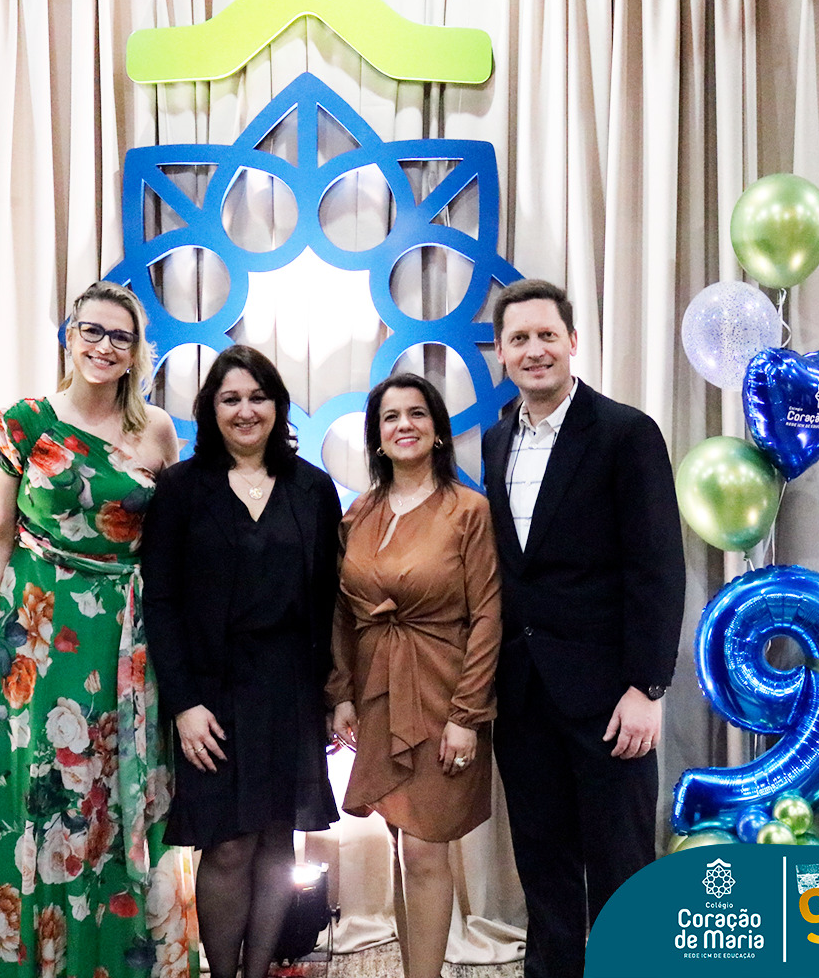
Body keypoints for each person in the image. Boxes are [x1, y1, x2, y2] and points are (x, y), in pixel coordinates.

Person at [0, 281, 195, 978]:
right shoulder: (24, 423)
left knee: (122, 794)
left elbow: (175, 541)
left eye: (120, 336)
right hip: (38, 630)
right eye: (91, 331)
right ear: (70, 337)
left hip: (128, 632)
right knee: (46, 791)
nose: (103, 346)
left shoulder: (157, 430)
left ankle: (120, 961)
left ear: (136, 351)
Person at [480, 279, 686, 978]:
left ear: (572, 342)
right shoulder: (497, 439)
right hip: (524, 693)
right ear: (501, 353)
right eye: (518, 339)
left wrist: (647, 687)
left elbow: (656, 567)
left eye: (546, 335)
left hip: (609, 696)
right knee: (543, 864)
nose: (533, 350)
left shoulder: (626, 433)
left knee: (621, 865)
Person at [140, 345, 341, 978]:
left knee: (278, 840)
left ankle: (259, 974)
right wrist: (183, 704)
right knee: (227, 846)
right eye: (231, 399)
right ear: (211, 409)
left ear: (278, 406)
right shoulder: (181, 488)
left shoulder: (313, 488)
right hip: (212, 694)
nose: (246, 410)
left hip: (291, 689)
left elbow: (330, 601)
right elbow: (161, 602)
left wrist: (333, 695)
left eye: (258, 397)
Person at [328, 373, 502, 978]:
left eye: (417, 414)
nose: (404, 425)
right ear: (377, 437)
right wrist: (341, 694)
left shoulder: (469, 510)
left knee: (428, 849)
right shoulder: (360, 512)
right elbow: (342, 613)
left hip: (444, 693)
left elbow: (488, 616)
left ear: (438, 430)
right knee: (402, 845)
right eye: (390, 417)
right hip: (379, 693)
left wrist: (467, 715)